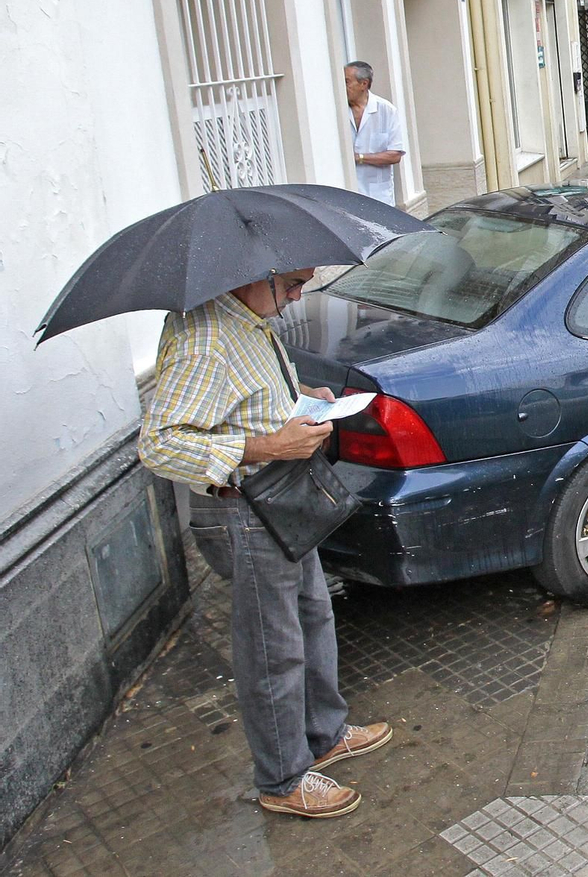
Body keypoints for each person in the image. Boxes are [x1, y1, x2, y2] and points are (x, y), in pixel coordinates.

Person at [139, 270, 393, 819]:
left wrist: (305, 397)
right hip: (244, 507)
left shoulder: (250, 320)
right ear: (255, 274)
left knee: (313, 614)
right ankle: (281, 777)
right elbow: (160, 445)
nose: (300, 294)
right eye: (294, 283)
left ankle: (323, 733)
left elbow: (251, 393)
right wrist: (270, 444)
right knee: (271, 646)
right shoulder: (204, 339)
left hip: (280, 498)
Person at [344, 61, 406, 206]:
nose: (343, 87)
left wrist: (359, 158)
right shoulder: (337, 110)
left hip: (379, 196)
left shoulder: (386, 110)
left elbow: (395, 155)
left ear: (363, 84)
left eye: (347, 82)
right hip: (347, 194)